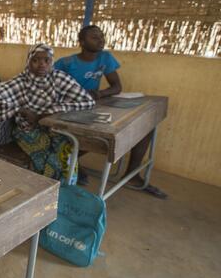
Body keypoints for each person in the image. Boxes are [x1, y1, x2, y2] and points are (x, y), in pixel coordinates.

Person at [55, 25, 167, 198]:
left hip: (94, 105)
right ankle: (73, 160)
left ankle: (133, 174)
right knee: (96, 137)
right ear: (82, 42)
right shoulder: (66, 63)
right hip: (70, 108)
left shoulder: (105, 58)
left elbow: (116, 86)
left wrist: (99, 93)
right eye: (94, 37)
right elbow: (51, 87)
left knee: (144, 128)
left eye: (101, 36)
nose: (101, 40)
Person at [0, 44, 95, 184]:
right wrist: (21, 110)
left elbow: (87, 101)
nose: (41, 64)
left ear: (52, 62)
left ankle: (62, 188)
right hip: (27, 130)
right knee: (44, 152)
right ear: (28, 62)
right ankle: (46, 187)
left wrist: (49, 112)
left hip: (55, 129)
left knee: (66, 149)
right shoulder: (21, 81)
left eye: (46, 60)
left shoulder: (59, 78)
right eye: (36, 60)